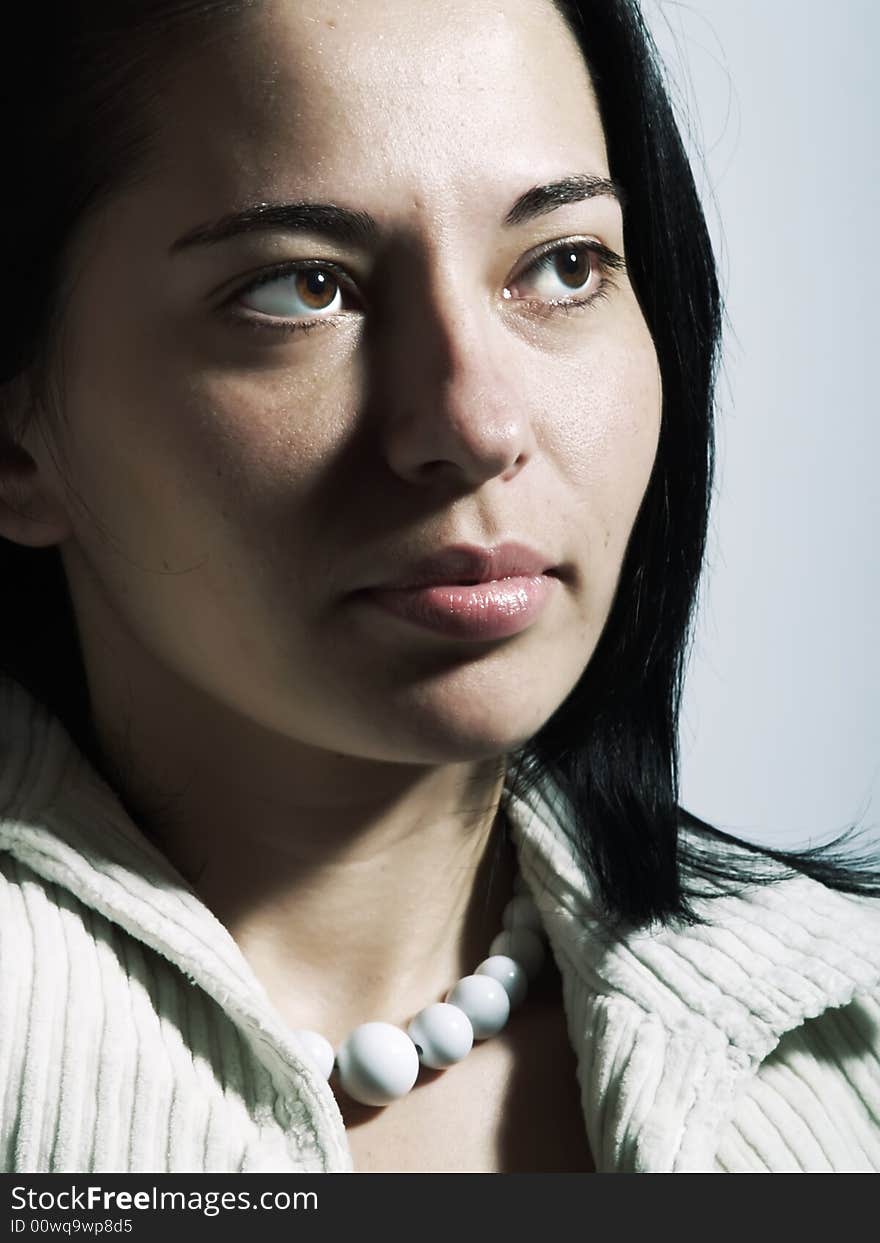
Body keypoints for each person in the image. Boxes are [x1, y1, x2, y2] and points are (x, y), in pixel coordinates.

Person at [0, 0, 878, 1175]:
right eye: (298, 289)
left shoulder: (846, 1047)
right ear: (16, 438)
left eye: (563, 267)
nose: (472, 424)